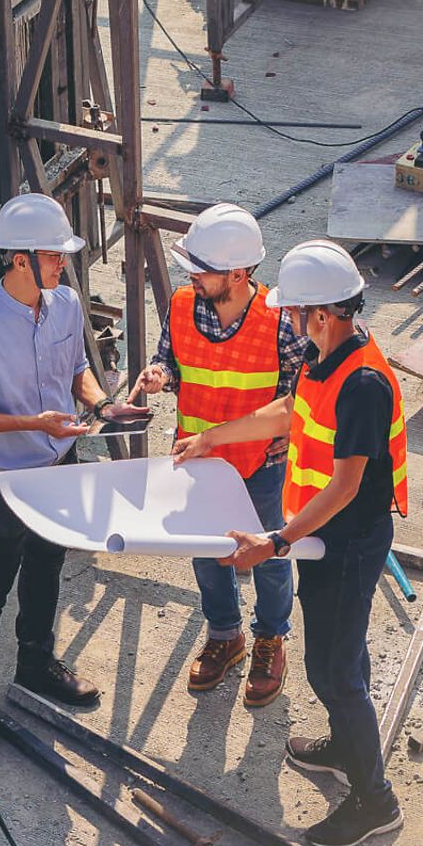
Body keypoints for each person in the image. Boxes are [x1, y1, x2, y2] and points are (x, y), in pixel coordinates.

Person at [170, 239, 408, 846]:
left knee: (336, 669)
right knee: (334, 658)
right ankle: (340, 749)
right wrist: (213, 438)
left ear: (322, 315)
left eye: (296, 313)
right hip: (323, 537)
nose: (289, 321)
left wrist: (275, 542)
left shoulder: (362, 384)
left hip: (350, 543)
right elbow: (287, 412)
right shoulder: (321, 357)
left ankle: (374, 801)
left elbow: (348, 483)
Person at [0, 192, 130, 772]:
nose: (61, 265)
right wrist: (32, 422)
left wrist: (102, 405)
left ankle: (35, 663)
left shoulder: (67, 306)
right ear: (18, 259)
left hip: (59, 466)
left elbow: (77, 370)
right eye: (52, 255)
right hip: (3, 480)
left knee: (48, 567)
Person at [132, 204, 308, 707]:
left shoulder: (280, 320)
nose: (191, 274)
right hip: (197, 457)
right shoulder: (185, 304)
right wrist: (159, 375)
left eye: (201, 267)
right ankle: (225, 635)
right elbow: (170, 357)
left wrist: (290, 432)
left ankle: (270, 638)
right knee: (208, 555)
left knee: (271, 555)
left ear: (238, 272)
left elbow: (304, 396)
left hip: (260, 463)